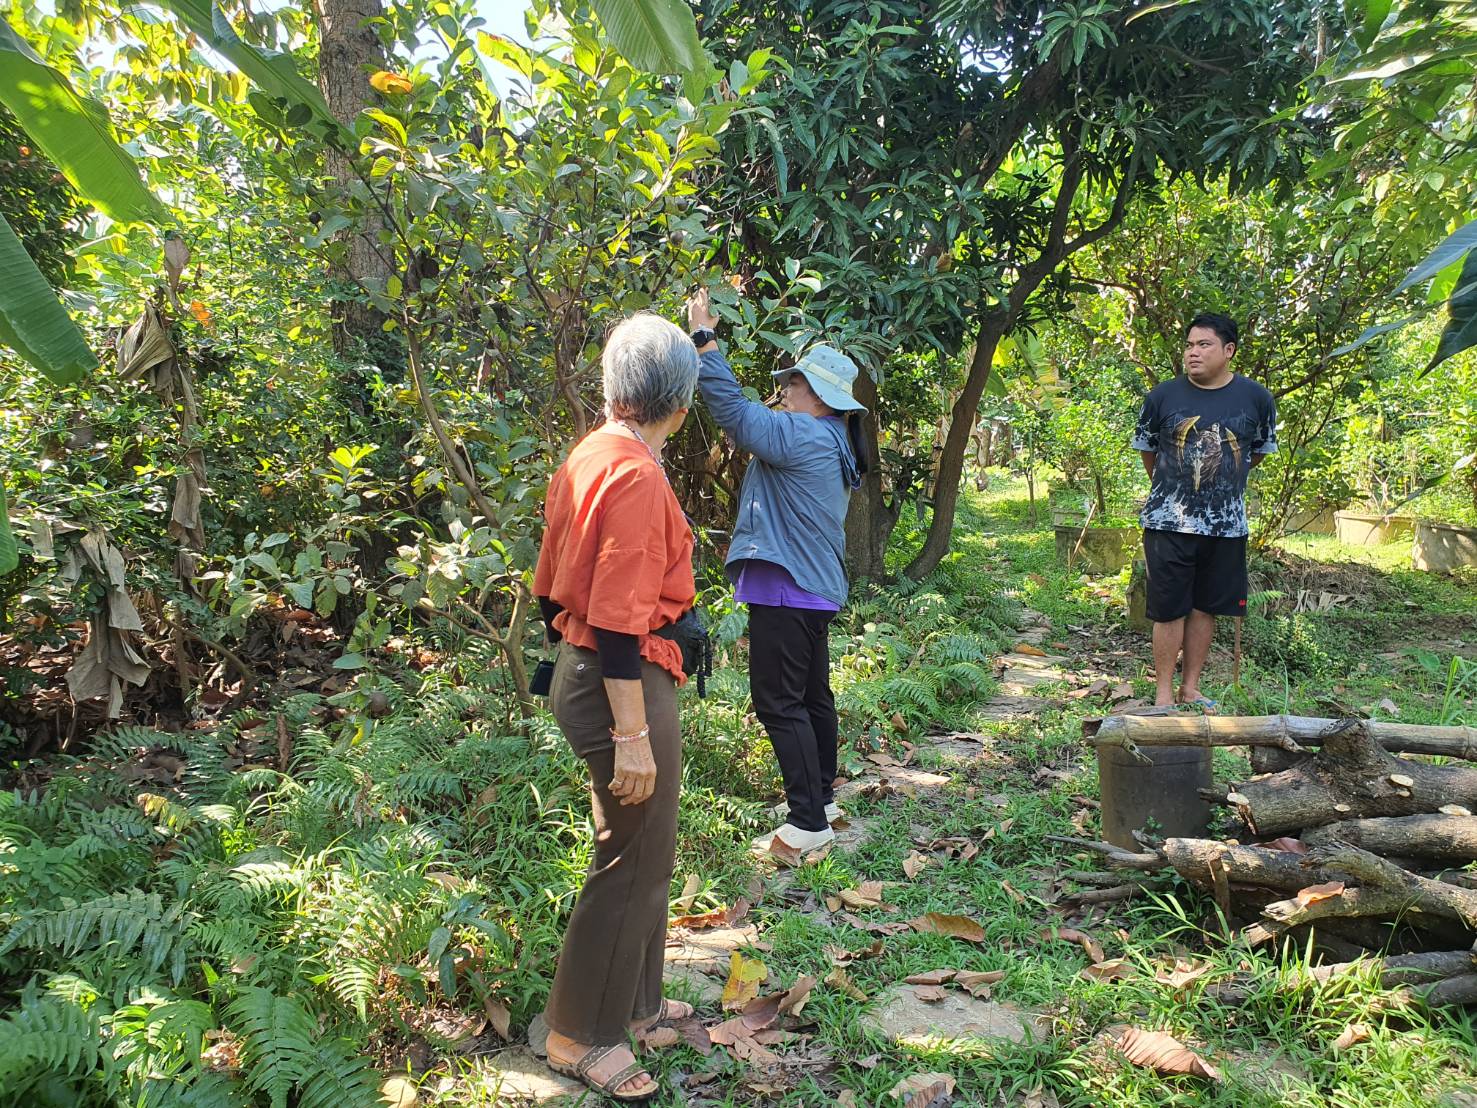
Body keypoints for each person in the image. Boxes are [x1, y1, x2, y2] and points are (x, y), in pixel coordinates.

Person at [532, 313, 700, 1102]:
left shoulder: (594, 451)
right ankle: (579, 1033)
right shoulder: (634, 474)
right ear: (681, 402)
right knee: (629, 858)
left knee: (650, 850)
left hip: (594, 667)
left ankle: (634, 999)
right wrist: (630, 731)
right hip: (616, 679)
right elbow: (615, 616)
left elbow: (548, 587)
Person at [686, 288, 867, 854]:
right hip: (810, 590)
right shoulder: (834, 439)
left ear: (819, 395)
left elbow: (737, 416)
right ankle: (822, 801)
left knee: (778, 701)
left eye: (793, 382)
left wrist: (703, 340)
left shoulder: (805, 434)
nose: (784, 388)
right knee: (813, 696)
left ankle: (807, 824)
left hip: (787, 589)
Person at [1131, 312, 1277, 708]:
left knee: (1206, 607)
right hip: (1168, 522)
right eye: (1189, 345)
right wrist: (1175, 488)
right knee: (1168, 610)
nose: (1192, 353)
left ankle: (1190, 687)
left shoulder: (1256, 399)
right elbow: (1149, 452)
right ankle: (1163, 694)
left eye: (1203, 345)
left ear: (1228, 351)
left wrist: (1221, 486)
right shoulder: (1162, 397)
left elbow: (1255, 453)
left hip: (1226, 527)